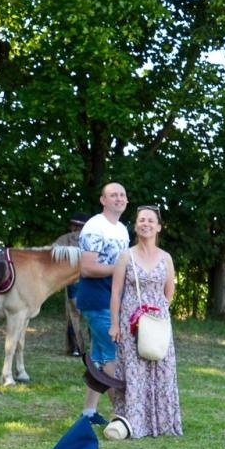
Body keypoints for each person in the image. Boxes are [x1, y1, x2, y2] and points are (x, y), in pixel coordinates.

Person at [105, 204, 180, 439]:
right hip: (131, 323)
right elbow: (116, 293)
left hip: (157, 321)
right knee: (134, 370)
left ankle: (161, 422)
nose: (145, 223)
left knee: (160, 367)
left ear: (158, 227)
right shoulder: (126, 256)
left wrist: (157, 313)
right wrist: (115, 324)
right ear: (136, 226)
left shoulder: (166, 258)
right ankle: (133, 421)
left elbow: (169, 292)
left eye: (150, 220)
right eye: (141, 220)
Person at [74, 182, 129, 425]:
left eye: (122, 195)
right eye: (113, 195)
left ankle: (88, 413)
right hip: (97, 299)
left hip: (112, 299)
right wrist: (121, 269)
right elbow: (87, 268)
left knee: (99, 356)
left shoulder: (122, 230)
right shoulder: (95, 226)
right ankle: (123, 413)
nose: (119, 198)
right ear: (103, 200)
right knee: (111, 355)